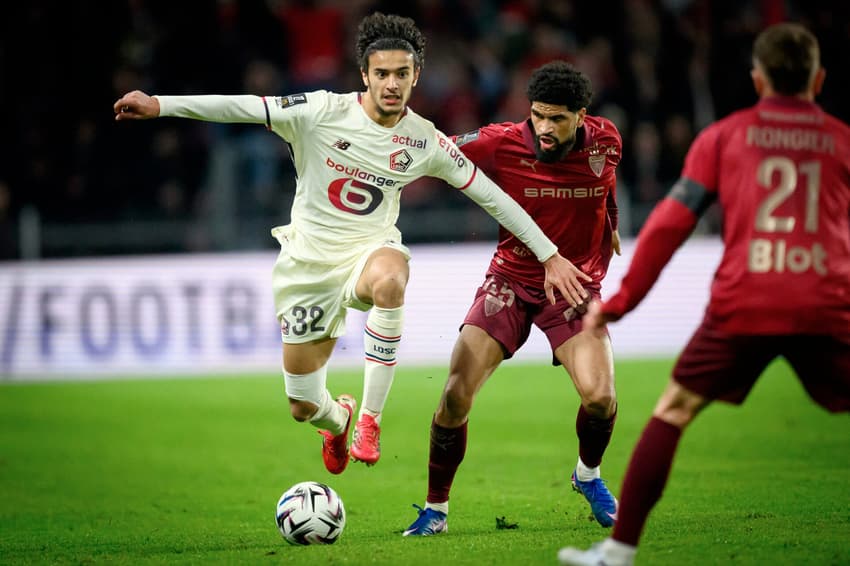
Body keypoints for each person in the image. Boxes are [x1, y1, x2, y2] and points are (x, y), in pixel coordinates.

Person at [113, 12, 591, 476]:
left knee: (392, 279)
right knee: (302, 404)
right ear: (364, 74)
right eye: (381, 73)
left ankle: (369, 420)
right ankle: (338, 421)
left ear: (416, 75)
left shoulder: (424, 141)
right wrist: (161, 103)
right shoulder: (319, 111)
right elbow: (244, 106)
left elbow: (493, 197)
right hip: (307, 266)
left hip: (370, 252)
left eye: (402, 74)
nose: (391, 84)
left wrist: (549, 255)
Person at [558, 22, 850, 566]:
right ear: (819, 80)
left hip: (745, 304)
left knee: (673, 409)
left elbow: (669, 227)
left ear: (758, 80)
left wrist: (618, 304)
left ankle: (618, 552)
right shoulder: (842, 139)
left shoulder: (724, 137)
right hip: (827, 304)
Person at [403, 61, 623, 536]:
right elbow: (438, 150)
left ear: (581, 116)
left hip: (573, 288)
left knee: (602, 399)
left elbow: (605, 190)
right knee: (454, 396)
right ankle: (435, 510)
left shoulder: (608, 141)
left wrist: (612, 224)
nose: (544, 127)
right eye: (538, 115)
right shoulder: (501, 141)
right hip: (509, 281)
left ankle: (587, 476)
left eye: (557, 119)